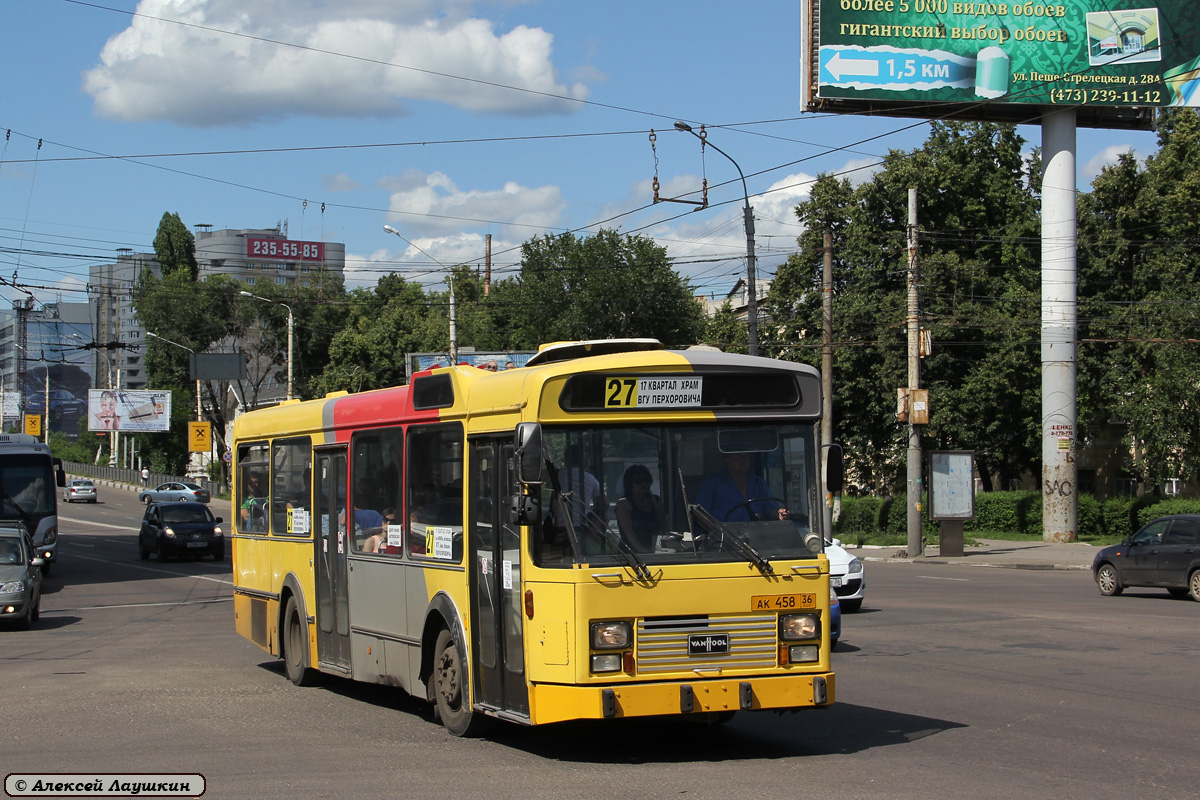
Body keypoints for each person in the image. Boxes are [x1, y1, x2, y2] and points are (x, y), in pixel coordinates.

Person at [696, 452, 789, 522]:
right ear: (726, 461)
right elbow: (700, 514)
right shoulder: (713, 483)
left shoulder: (758, 482)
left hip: (757, 538)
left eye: (746, 457)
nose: (744, 460)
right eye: (738, 457)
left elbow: (770, 508)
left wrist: (779, 513)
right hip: (723, 540)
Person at [615, 465, 667, 552]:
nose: (643, 484)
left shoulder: (655, 500)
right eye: (638, 481)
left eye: (646, 480)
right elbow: (628, 531)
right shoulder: (623, 504)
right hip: (630, 555)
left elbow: (663, 527)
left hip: (655, 551)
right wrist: (642, 550)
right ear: (630, 484)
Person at [556, 444, 608, 528]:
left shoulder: (556, 475)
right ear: (584, 461)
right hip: (583, 525)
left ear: (565, 460)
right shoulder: (591, 479)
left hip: (559, 526)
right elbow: (605, 504)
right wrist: (592, 515)